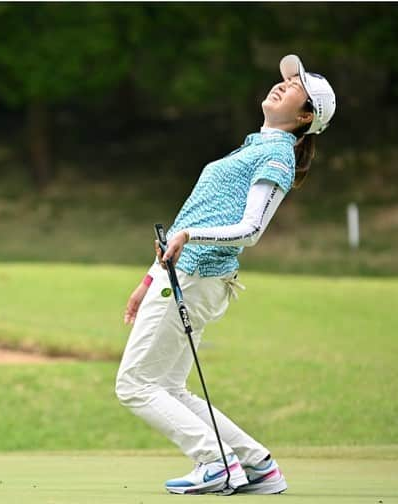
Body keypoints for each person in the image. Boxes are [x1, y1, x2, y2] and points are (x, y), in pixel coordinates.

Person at [115, 55, 336, 495]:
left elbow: (251, 230)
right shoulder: (256, 145)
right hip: (182, 277)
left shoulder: (276, 155)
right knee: (168, 387)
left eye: (294, 86)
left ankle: (215, 463)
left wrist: (190, 236)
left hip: (196, 277)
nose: (282, 85)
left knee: (135, 384)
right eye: (285, 79)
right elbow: (190, 217)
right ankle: (258, 465)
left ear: (305, 116)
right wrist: (146, 281)